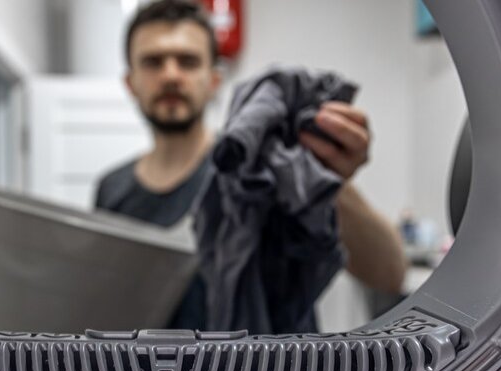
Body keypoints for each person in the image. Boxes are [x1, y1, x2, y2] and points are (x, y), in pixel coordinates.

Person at [95, 0, 406, 331]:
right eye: (153, 62)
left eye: (188, 61)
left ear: (214, 80)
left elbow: (389, 274)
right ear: (130, 82)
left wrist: (322, 177)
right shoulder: (111, 189)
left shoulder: (260, 168)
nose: (171, 75)